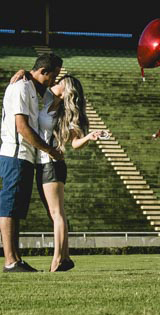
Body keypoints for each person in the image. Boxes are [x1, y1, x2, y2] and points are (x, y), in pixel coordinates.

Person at [10, 70, 107, 272]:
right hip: (42, 163)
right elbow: (38, 81)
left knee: (57, 212)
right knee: (54, 213)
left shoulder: (67, 113)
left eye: (59, 82)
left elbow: (75, 143)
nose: (55, 83)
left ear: (66, 88)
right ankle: (65, 258)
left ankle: (57, 260)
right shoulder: (49, 99)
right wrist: (24, 72)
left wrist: (89, 137)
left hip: (52, 164)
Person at [0, 53, 64, 273]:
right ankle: (10, 260)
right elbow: (22, 127)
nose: (54, 81)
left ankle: (16, 258)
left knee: (16, 208)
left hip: (26, 156)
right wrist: (48, 149)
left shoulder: (36, 90)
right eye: (52, 76)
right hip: (15, 154)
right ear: (43, 71)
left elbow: (58, 93)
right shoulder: (21, 88)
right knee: (10, 205)